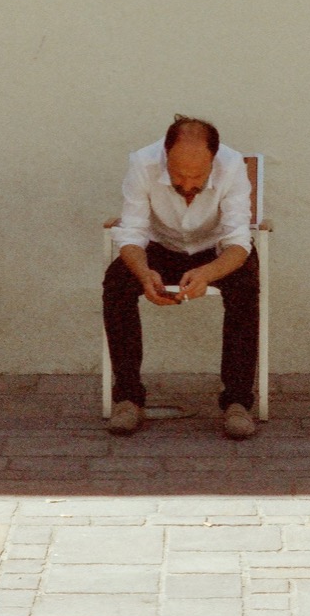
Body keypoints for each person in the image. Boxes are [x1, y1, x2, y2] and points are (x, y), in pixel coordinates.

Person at [102, 114, 259, 439]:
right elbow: (131, 234)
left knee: (245, 284)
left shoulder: (232, 166)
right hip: (161, 247)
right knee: (116, 281)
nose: (187, 187)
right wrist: (144, 273)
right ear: (165, 154)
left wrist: (208, 272)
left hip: (215, 251)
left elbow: (238, 243)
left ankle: (238, 402)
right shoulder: (142, 162)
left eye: (197, 178)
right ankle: (128, 397)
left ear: (213, 160)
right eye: (177, 176)